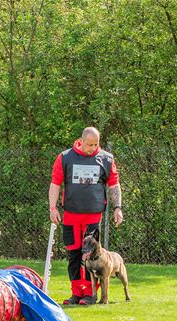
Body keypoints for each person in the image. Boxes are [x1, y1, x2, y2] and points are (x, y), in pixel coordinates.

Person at [48, 127, 123, 305]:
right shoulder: (65, 157)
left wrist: (118, 207)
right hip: (71, 214)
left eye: (96, 144)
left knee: (91, 254)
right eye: (89, 144)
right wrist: (53, 208)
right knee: (74, 254)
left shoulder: (106, 159)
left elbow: (114, 185)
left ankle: (90, 294)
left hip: (93, 214)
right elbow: (55, 183)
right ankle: (76, 293)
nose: (92, 148)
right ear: (81, 141)